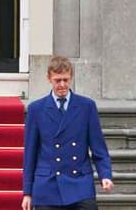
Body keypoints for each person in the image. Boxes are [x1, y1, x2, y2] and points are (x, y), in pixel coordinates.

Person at [22, 56, 114, 210]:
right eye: (58, 80)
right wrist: (27, 192)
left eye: (66, 80)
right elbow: (30, 154)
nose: (62, 85)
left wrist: (105, 175)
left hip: (80, 183)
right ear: (49, 79)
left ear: (71, 77)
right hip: (47, 185)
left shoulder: (86, 106)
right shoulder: (36, 109)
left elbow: (99, 148)